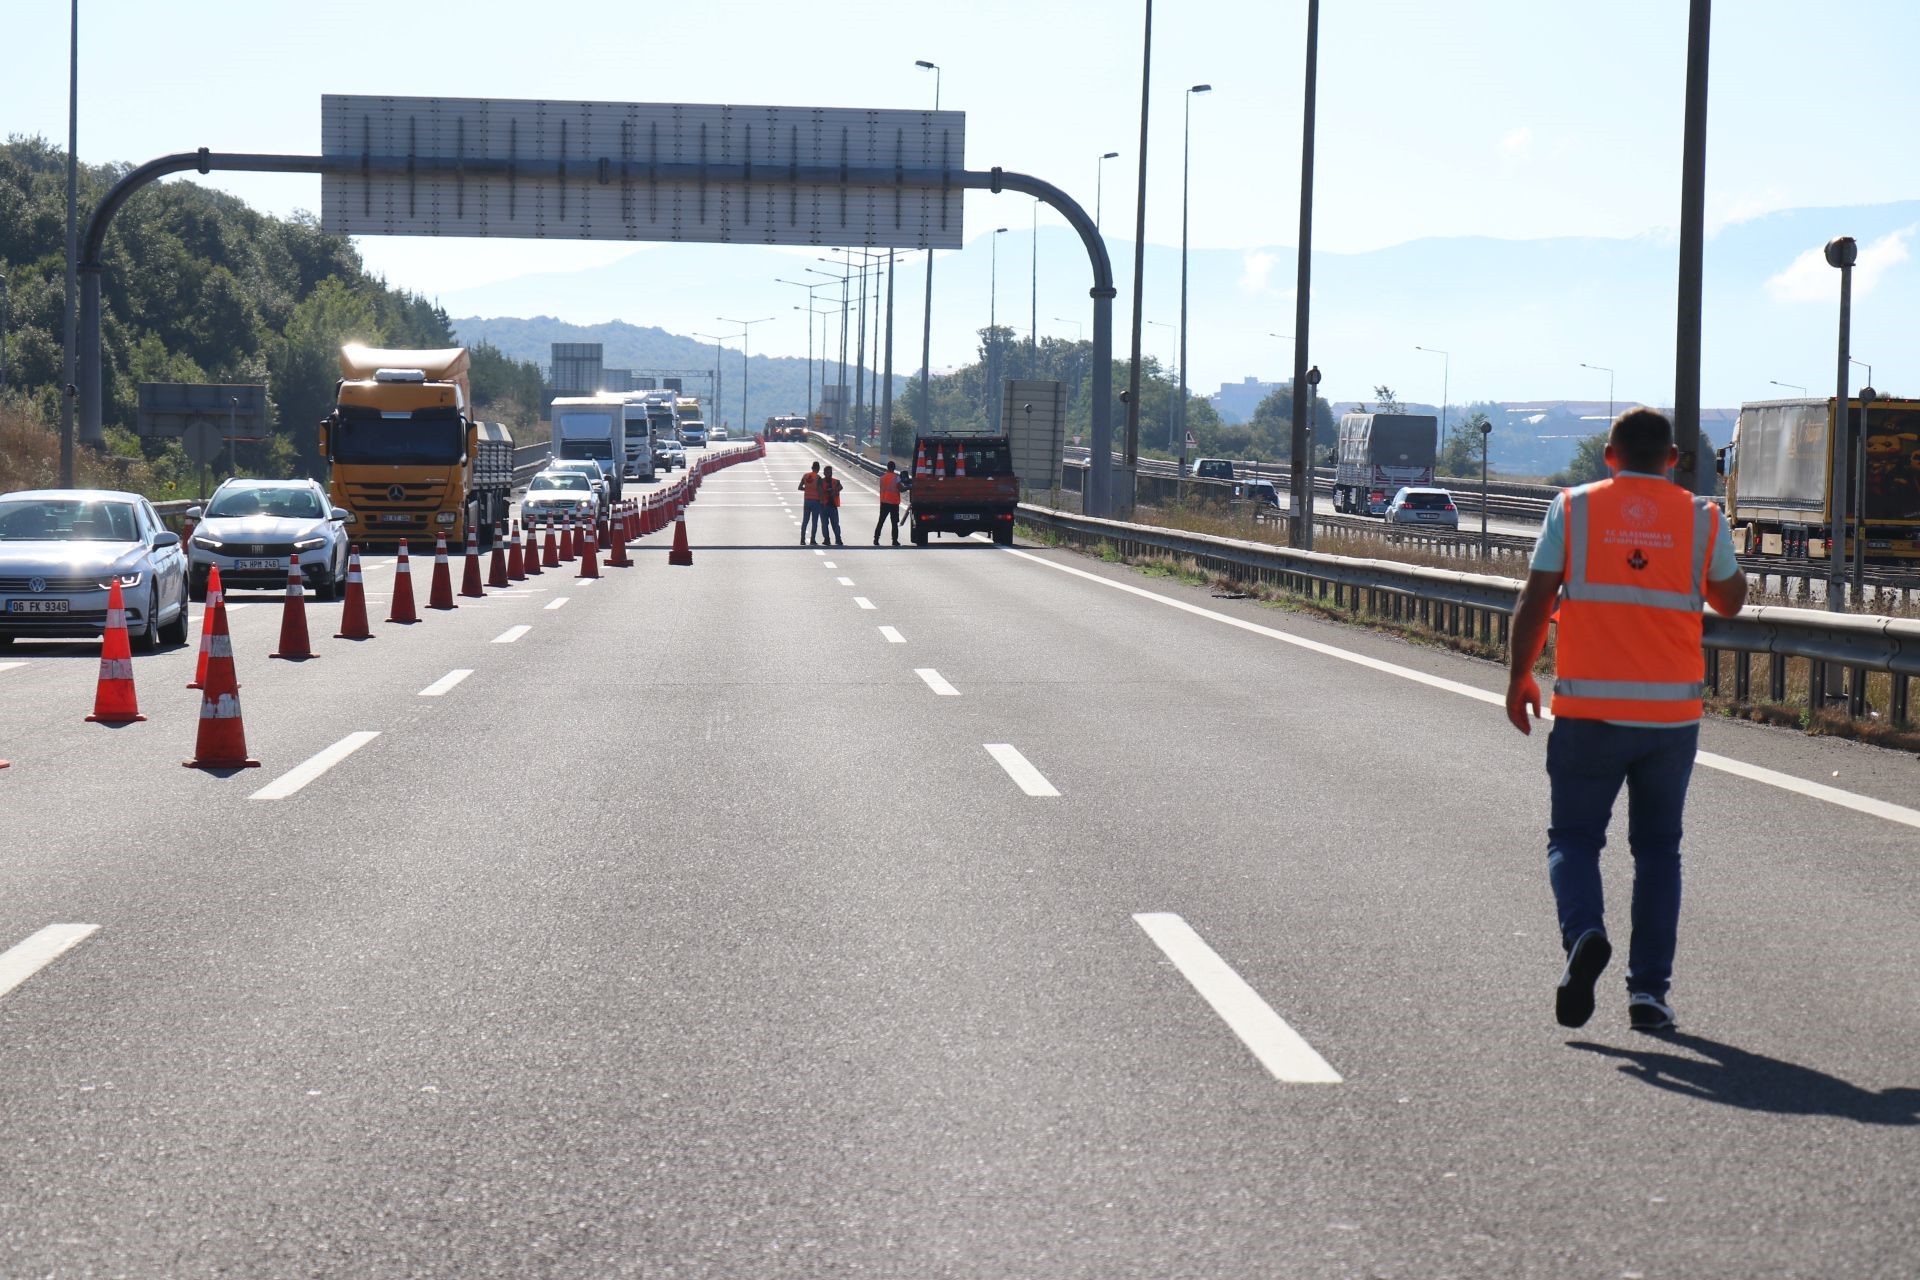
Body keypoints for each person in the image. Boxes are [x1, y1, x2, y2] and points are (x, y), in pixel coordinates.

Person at [1505, 407, 1746, 1033]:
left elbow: (1535, 599)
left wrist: (1518, 676)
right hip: (1671, 718)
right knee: (1659, 851)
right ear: (1673, 459)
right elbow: (1732, 600)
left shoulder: (1574, 508)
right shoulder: (1702, 517)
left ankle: (1585, 934)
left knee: (1574, 840)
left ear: (1609, 455)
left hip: (1589, 712)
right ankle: (1649, 995)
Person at [874, 460, 904, 546]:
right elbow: (901, 489)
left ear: (887, 467)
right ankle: (894, 541)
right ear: (894, 468)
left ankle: (876, 539)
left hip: (884, 502)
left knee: (881, 521)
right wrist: (908, 487)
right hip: (894, 503)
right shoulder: (896, 477)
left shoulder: (882, 478)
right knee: (894, 523)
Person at [819, 464, 845, 546]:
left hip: (832, 506)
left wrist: (833, 490)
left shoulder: (836, 482)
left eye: (830, 472)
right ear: (824, 473)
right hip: (824, 506)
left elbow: (840, 487)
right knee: (825, 525)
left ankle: (837, 539)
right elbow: (819, 491)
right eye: (827, 472)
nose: (829, 474)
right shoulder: (821, 481)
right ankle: (827, 539)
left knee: (834, 524)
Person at [798, 461, 822, 546]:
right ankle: (812, 540)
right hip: (815, 501)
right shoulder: (818, 478)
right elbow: (820, 491)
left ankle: (802, 539)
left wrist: (807, 489)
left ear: (812, 468)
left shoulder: (805, 476)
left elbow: (799, 487)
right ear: (818, 468)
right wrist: (822, 500)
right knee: (814, 522)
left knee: (805, 521)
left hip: (807, 500)